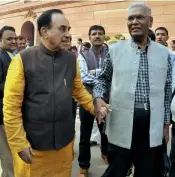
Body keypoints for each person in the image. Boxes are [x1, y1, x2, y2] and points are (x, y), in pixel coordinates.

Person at [3, 9, 107, 177]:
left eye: (68, 29)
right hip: (33, 147)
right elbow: (11, 107)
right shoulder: (22, 60)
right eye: (62, 29)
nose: (67, 34)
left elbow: (79, 90)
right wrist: (18, 143)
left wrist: (94, 106)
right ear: (44, 32)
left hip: (64, 143)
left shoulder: (70, 59)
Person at [93, 3, 172, 177]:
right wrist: (98, 98)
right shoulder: (114, 51)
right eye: (130, 18)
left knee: (148, 171)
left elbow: (167, 91)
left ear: (150, 21)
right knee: (117, 170)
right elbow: (102, 80)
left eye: (139, 17)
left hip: (152, 125)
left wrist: (165, 125)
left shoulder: (163, 53)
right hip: (121, 123)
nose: (134, 22)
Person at [77, 25, 108, 177]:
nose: (97, 36)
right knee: (85, 133)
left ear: (104, 36)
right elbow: (83, 76)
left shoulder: (111, 53)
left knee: (106, 131)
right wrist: (102, 79)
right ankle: (84, 165)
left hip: (107, 99)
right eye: (94, 34)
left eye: (100, 34)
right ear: (89, 37)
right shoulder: (82, 55)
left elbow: (114, 74)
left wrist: (94, 73)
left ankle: (105, 153)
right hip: (87, 99)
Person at [0, 25, 16, 177]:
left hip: (14, 114)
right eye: (9, 38)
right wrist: (17, 83)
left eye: (14, 38)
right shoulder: (0, 57)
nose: (13, 41)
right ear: (0, 41)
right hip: (3, 115)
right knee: (7, 156)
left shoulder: (14, 56)